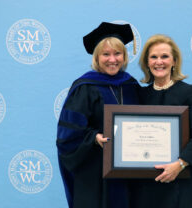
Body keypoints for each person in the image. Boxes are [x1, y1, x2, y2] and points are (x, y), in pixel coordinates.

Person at [56, 22, 139, 208]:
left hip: (128, 172)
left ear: (124, 56)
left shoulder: (132, 86)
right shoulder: (85, 87)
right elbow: (66, 136)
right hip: (94, 173)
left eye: (117, 53)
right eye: (106, 54)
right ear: (97, 57)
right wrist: (94, 138)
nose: (112, 59)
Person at [132, 34, 192, 208]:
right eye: (154, 57)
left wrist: (180, 164)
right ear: (147, 62)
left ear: (174, 61)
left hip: (181, 182)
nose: (159, 62)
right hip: (147, 185)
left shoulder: (189, 92)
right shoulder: (140, 95)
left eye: (164, 56)